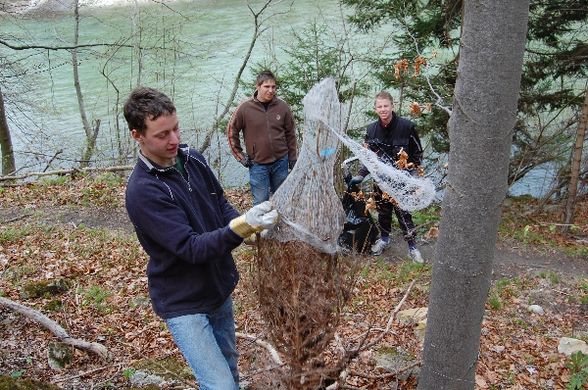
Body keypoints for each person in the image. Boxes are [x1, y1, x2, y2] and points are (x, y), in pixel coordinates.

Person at [123, 86, 279, 389]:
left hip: (217, 287)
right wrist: (242, 227)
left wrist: (249, 229)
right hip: (184, 302)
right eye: (162, 135)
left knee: (230, 369)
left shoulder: (192, 159)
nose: (174, 140)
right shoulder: (143, 191)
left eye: (176, 129)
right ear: (137, 135)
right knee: (220, 385)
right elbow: (190, 247)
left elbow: (218, 202)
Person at [350, 91, 424, 263]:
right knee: (383, 212)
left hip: (402, 181)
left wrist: (415, 178)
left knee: (404, 215)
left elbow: (417, 154)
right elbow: (368, 158)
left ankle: (413, 247)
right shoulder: (371, 130)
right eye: (379, 106)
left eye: (386, 106)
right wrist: (361, 175)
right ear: (375, 109)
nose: (383, 109)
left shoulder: (407, 127)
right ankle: (384, 239)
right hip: (381, 181)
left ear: (392, 106)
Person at [228, 70, 298, 205]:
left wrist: (293, 157)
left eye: (273, 87)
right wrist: (240, 156)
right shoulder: (245, 108)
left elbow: (290, 134)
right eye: (267, 87)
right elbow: (232, 131)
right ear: (258, 86)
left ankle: (281, 224)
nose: (271, 90)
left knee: (282, 198)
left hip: (281, 162)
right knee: (261, 202)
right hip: (258, 165)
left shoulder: (282, 106)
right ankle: (263, 226)